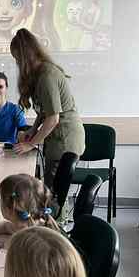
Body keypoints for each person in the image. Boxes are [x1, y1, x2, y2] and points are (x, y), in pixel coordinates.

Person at [10, 28, 85, 195]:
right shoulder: (40, 74)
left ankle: (57, 213)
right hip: (58, 138)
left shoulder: (47, 76)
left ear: (25, 56)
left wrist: (30, 144)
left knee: (54, 193)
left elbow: (53, 118)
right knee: (53, 189)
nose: (17, 63)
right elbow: (44, 111)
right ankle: (57, 212)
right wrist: (33, 130)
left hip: (65, 140)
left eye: (17, 58)